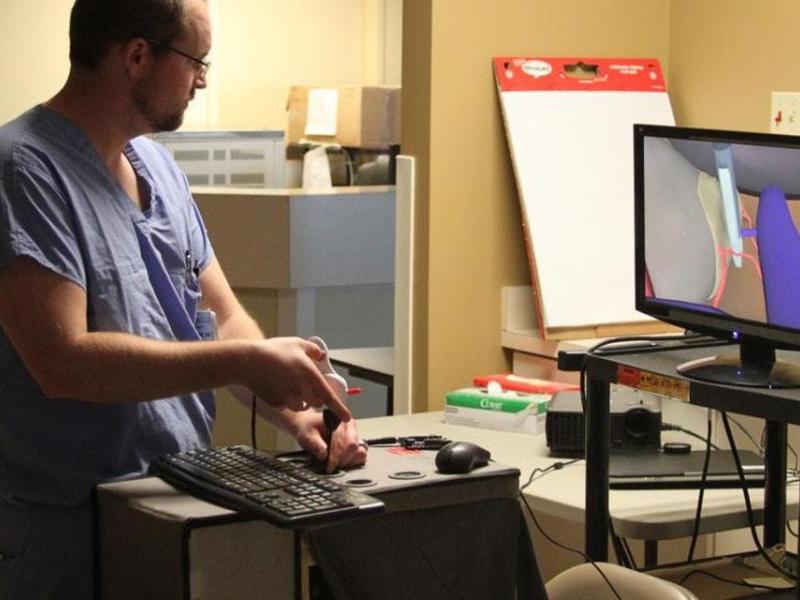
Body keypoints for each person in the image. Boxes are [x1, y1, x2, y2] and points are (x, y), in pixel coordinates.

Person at [0, 0, 367, 597]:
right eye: (197, 61)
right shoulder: (24, 169)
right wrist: (247, 362)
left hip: (178, 503)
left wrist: (299, 416)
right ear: (137, 57)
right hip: (70, 527)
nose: (202, 79)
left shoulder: (158, 169)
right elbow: (61, 360)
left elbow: (221, 319)